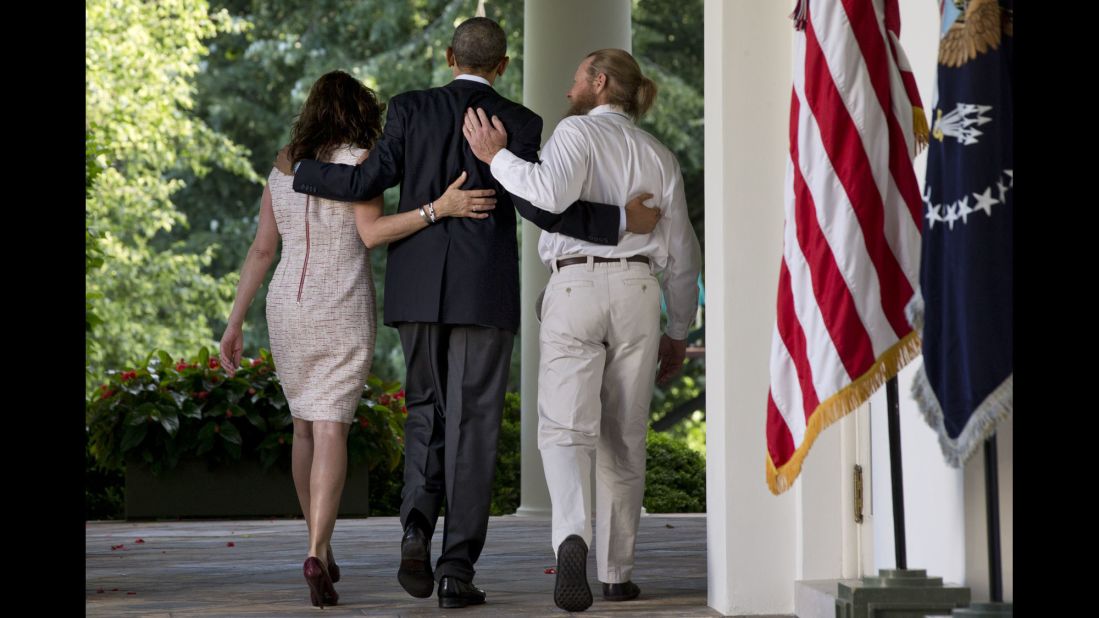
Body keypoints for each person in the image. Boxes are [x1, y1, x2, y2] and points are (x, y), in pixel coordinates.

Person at [276, 17, 659, 610]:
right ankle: (456, 571)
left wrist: (301, 170)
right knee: (475, 425)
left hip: (418, 289)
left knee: (425, 410)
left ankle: (414, 532)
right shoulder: (524, 122)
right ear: (502, 65)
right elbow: (544, 209)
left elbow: (366, 180)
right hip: (485, 293)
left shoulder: (408, 109)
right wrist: (617, 224)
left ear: (449, 56)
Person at [218, 70, 495, 609]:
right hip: (341, 302)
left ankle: (315, 546)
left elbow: (260, 251)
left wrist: (234, 322)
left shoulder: (284, 165)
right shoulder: (359, 161)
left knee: (303, 427)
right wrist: (441, 207)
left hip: (286, 308)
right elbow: (371, 234)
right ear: (359, 112)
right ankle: (319, 551)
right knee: (331, 429)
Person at [463, 48, 702, 612]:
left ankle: (572, 535)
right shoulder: (660, 155)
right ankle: (616, 573)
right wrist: (678, 330)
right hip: (641, 292)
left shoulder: (577, 135)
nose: (568, 90)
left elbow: (546, 195)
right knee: (626, 433)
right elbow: (684, 257)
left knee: (566, 427)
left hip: (575, 287)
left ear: (599, 83)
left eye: (575, 79)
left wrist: (496, 157)